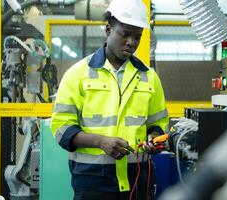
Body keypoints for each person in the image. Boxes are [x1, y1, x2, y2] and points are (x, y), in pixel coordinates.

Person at [51, 0, 169, 199]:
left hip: (138, 181)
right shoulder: (78, 74)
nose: (131, 42)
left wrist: (154, 139)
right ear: (108, 30)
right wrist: (100, 142)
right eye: (125, 34)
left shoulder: (150, 77)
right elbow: (62, 129)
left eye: (137, 37)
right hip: (92, 182)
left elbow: (158, 124)